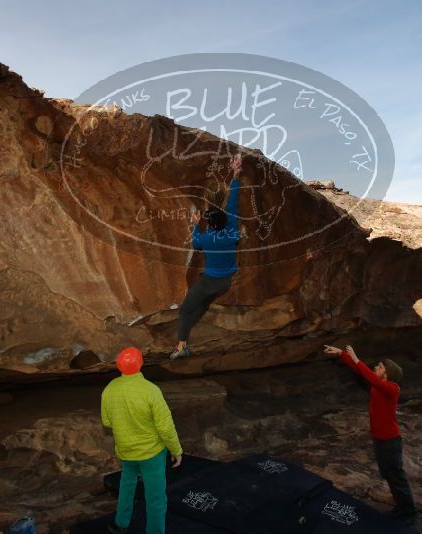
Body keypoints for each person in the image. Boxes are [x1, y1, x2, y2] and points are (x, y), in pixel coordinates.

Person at [323, 344, 418, 526]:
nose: (376, 367)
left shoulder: (392, 389)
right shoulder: (379, 385)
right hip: (381, 440)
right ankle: (401, 507)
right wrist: (342, 354)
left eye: (380, 367)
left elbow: (368, 375)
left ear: (387, 374)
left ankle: (409, 512)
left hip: (390, 441)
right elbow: (362, 372)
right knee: (388, 474)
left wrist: (356, 358)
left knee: (396, 476)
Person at [101, 347, 183, 534]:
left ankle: (120, 524)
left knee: (127, 486)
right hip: (151, 454)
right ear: (140, 364)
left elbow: (106, 421)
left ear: (118, 366)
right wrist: (176, 450)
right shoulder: (151, 390)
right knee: (155, 497)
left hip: (126, 451)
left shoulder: (110, 388)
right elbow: (165, 427)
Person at [170, 154, 243, 360]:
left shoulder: (206, 239)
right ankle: (190, 331)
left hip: (209, 281)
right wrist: (236, 174)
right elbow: (233, 202)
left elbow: (195, 244)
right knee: (202, 305)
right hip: (225, 283)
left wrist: (195, 224)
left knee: (185, 312)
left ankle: (182, 346)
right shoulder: (230, 230)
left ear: (210, 224)